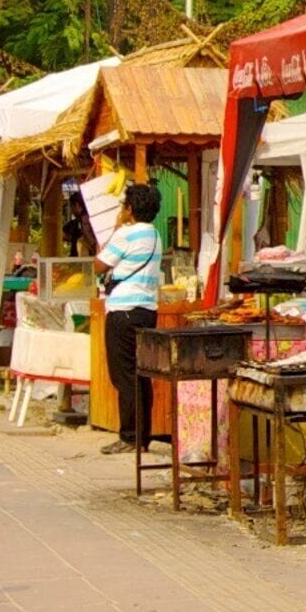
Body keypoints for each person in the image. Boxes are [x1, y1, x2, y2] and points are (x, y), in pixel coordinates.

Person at [97, 181, 165, 456]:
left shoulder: (126, 234)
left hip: (122, 311)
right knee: (141, 374)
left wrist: (115, 228)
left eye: (124, 206)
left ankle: (129, 436)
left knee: (123, 375)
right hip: (146, 310)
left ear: (131, 209)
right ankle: (142, 435)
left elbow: (98, 264)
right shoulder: (155, 235)